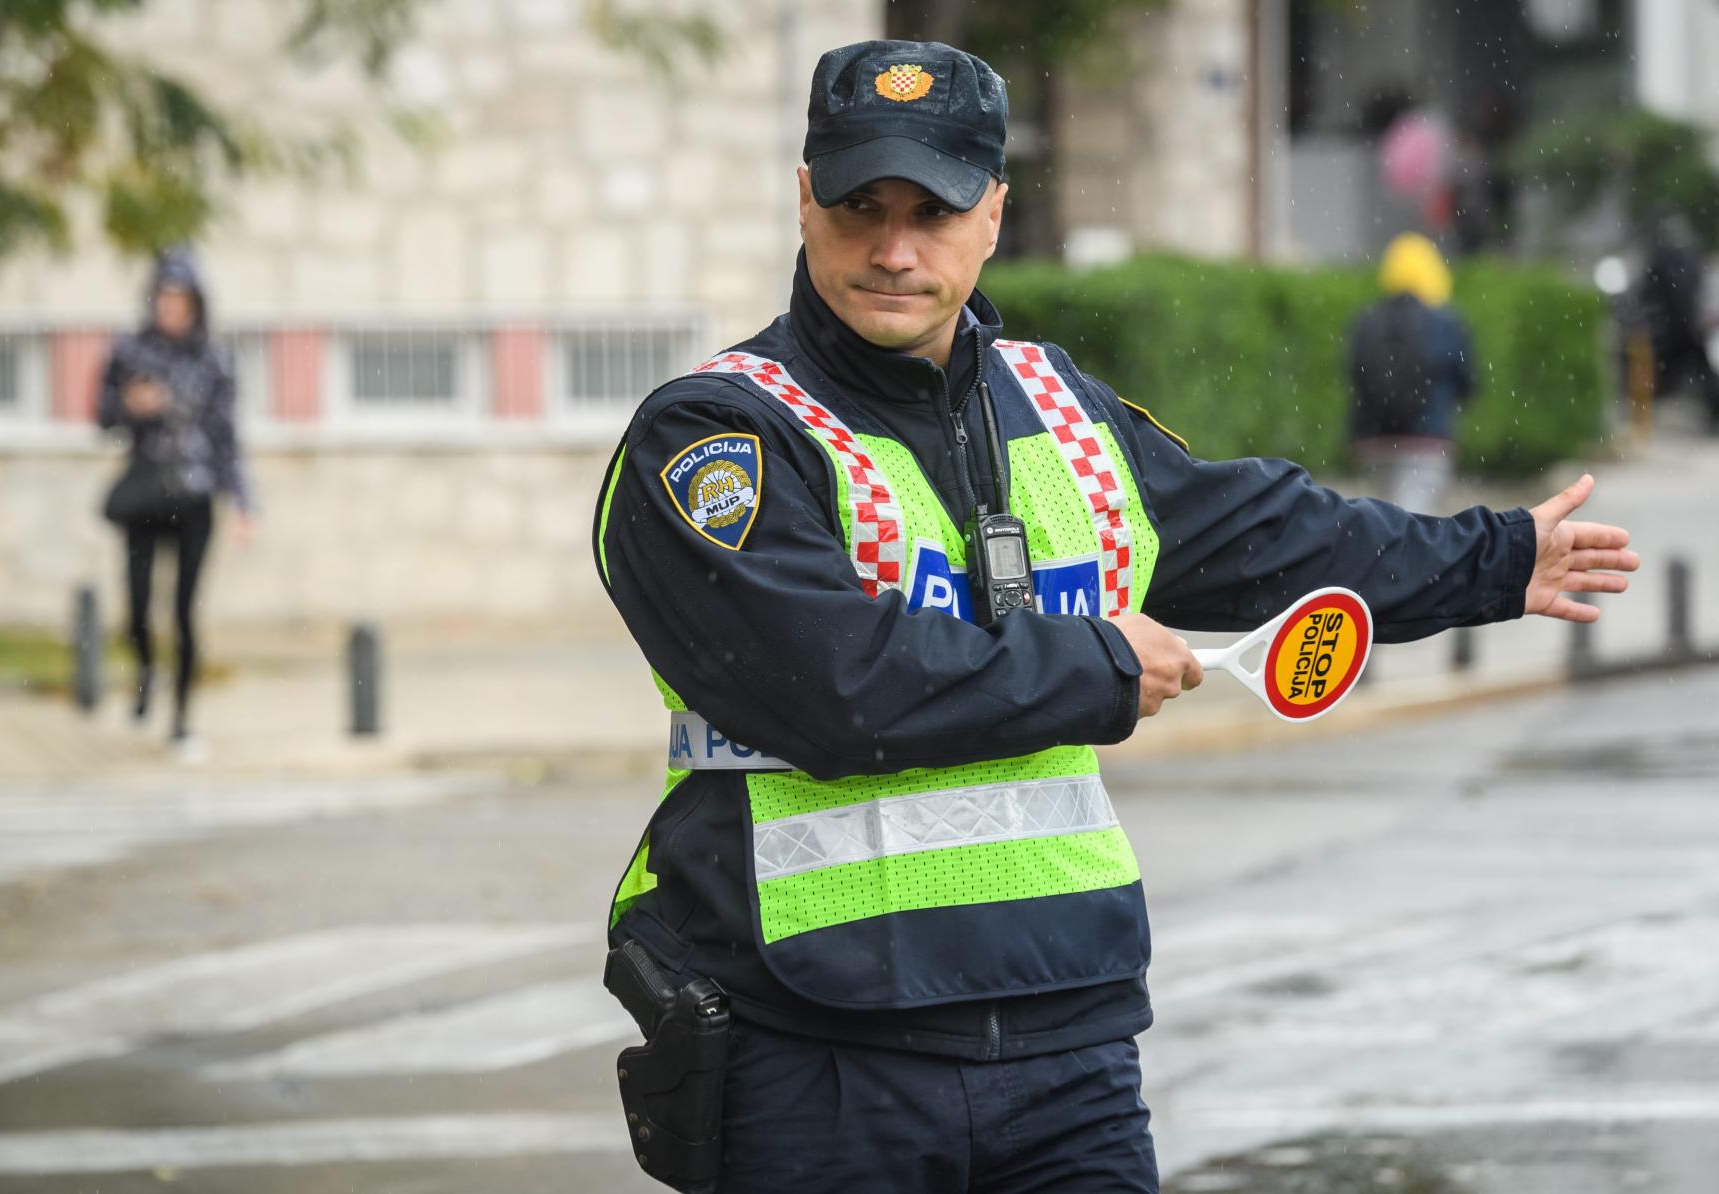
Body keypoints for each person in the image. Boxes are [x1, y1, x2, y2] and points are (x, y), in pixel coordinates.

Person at [592, 39, 1638, 1194]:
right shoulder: (714, 437)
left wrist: (1495, 560)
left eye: (932, 212)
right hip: (816, 1047)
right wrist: (1092, 667)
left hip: (1066, 1044)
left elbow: (1271, 536)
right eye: (857, 209)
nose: (894, 250)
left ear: (995, 212)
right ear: (804, 199)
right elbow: (836, 686)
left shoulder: (1057, 405)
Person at [96, 248, 253, 755]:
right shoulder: (130, 351)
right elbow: (101, 417)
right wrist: (130, 407)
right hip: (145, 491)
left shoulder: (215, 359)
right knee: (138, 605)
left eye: (180, 297)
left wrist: (244, 504)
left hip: (196, 497)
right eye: (164, 295)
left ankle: (182, 722)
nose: (171, 306)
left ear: (195, 303)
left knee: (185, 612)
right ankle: (145, 672)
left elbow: (227, 437)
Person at [1346, 233, 1476, 513]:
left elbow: (1355, 375)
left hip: (1374, 442)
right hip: (1427, 442)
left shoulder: (1367, 320)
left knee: (1383, 523)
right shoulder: (1447, 322)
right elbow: (1467, 382)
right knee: (1414, 527)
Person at [1637, 209, 1719, 434]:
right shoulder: (1679, 258)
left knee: (1701, 376)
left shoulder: (1671, 258)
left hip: (1684, 330)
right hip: (1682, 329)